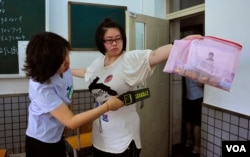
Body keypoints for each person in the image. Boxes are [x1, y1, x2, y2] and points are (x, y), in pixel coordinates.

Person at [72, 18, 203, 157]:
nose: (115, 43)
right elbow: (88, 72)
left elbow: (154, 55)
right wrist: (66, 70)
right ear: (101, 42)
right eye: (109, 40)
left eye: (118, 38)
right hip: (100, 138)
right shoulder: (98, 63)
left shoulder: (129, 59)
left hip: (122, 141)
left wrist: (181, 44)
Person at [23, 32, 123, 157]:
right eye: (60, 60)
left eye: (66, 54)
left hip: (58, 136)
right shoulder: (40, 87)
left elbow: (69, 96)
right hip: (41, 142)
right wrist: (107, 106)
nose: (67, 62)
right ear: (48, 64)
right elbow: (71, 121)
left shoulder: (65, 71)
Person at [183, 77, 203, 156]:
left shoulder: (187, 68)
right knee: (197, 123)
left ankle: (188, 140)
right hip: (197, 97)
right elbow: (200, 84)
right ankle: (196, 147)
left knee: (189, 120)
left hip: (188, 96)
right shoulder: (198, 70)